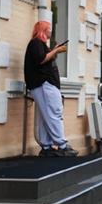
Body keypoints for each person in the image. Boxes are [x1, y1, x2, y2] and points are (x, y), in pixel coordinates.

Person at [24, 21, 78, 157]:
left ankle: (46, 147)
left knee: (45, 115)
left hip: (44, 84)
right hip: (44, 84)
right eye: (49, 29)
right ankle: (62, 145)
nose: (51, 31)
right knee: (54, 113)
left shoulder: (39, 44)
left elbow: (45, 58)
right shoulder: (36, 43)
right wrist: (56, 50)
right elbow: (41, 59)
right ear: (43, 30)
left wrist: (54, 50)